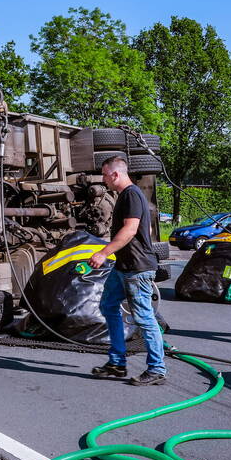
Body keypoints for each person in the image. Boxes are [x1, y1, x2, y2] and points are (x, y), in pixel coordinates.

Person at [89, 156, 166, 386]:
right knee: (108, 306)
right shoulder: (127, 196)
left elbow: (131, 229)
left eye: (104, 175)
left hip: (137, 269)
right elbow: (147, 227)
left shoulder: (131, 194)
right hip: (124, 266)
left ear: (115, 174)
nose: (103, 180)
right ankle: (117, 362)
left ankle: (157, 369)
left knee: (144, 318)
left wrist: (103, 253)